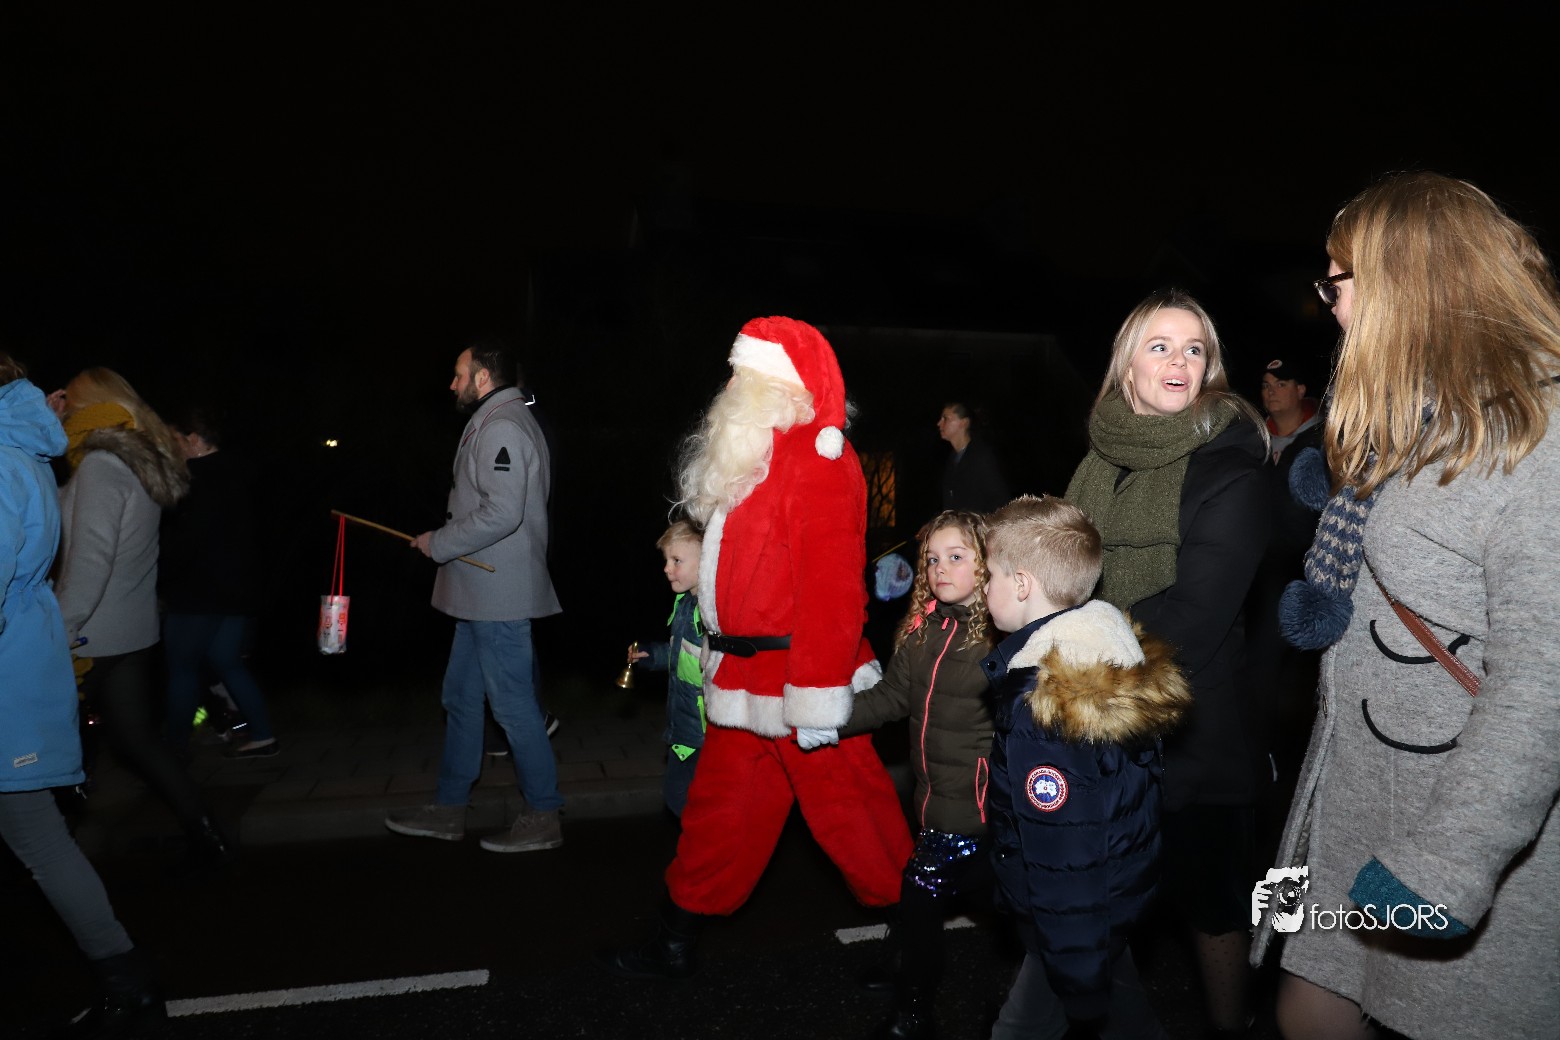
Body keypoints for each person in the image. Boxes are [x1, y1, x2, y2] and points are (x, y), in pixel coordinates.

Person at [1252, 172, 1560, 1040]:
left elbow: (1543, 678)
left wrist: (1451, 863)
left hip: (1451, 822)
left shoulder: (1538, 439)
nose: (1331, 306)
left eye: (1337, 282)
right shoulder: (1411, 420)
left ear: (1407, 281)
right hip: (1358, 801)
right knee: (1308, 1003)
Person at [600, 315, 913, 980]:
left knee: (854, 819)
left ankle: (915, 940)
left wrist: (819, 696)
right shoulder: (751, 460)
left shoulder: (820, 459)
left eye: (744, 373)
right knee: (720, 818)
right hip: (741, 679)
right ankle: (673, 938)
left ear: (784, 385)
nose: (731, 385)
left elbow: (833, 588)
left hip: (803, 678)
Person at [1064, 289, 1271, 1037]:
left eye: (1194, 349)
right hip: (1093, 722)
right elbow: (1060, 569)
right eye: (1160, 346)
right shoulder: (1099, 459)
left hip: (1193, 732)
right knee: (1095, 901)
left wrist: (1064, 643)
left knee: (1212, 909)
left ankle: (1230, 1028)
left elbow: (1194, 618)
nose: (1179, 361)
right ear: (1127, 365)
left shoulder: (1233, 468)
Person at [981, 494, 1190, 1039]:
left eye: (990, 576)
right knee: (1128, 1018)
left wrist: (1075, 968)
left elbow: (1064, 849)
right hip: (1111, 899)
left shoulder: (1045, 708)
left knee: (1021, 1030)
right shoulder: (1103, 653)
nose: (984, 590)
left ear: (1021, 585)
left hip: (1070, 918)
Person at [1, 354, 165, 1038]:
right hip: (31, 661)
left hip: (19, 674)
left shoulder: (16, 462)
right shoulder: (26, 452)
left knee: (42, 837)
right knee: (40, 836)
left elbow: (88, 559)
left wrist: (69, 629)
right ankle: (128, 980)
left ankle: (130, 982)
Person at [48, 367, 233, 872]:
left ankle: (51, 846)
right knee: (137, 742)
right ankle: (208, 835)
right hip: (131, 631)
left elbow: (91, 561)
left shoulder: (102, 465)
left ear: (88, 407)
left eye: (71, 405)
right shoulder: (134, 460)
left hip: (94, 632)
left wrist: (60, 629)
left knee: (44, 739)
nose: (64, 413)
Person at [385, 340, 565, 853]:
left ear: (483, 377)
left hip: (497, 596)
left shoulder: (503, 425)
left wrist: (440, 543)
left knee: (513, 706)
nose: (453, 383)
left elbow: (503, 513)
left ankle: (544, 813)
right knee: (461, 699)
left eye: (459, 374)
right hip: (477, 593)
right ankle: (449, 808)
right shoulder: (496, 419)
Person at [836, 509, 997, 1040]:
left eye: (956, 557)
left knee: (924, 892)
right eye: (931, 559)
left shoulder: (1000, 640)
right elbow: (891, 697)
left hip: (976, 808)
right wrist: (824, 718)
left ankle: (914, 1012)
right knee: (984, 902)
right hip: (932, 799)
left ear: (987, 563)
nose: (939, 568)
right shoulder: (926, 628)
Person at [159, 403, 278, 758]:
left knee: (181, 667)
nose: (170, 446)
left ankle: (172, 750)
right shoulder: (241, 472)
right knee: (227, 660)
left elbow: (185, 541)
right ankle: (263, 735)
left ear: (194, 439)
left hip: (199, 591)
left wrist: (162, 575)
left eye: (174, 438)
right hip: (237, 589)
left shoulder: (194, 480)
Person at [627, 519, 707, 818]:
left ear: (707, 560)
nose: (666, 568)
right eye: (666, 560)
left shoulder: (713, 612)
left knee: (684, 797)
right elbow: (682, 654)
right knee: (679, 796)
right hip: (684, 725)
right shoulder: (685, 604)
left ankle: (707, 843)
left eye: (676, 560)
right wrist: (651, 656)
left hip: (704, 732)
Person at [936, 401, 1011, 514]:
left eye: (945, 418)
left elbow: (1000, 501)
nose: (939, 423)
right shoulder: (952, 459)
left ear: (963, 423)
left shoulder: (981, 457)